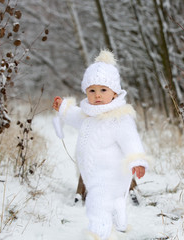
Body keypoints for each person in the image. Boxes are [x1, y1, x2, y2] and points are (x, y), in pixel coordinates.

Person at [52, 49, 150, 240]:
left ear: (114, 92)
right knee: (113, 201)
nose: (97, 95)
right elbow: (74, 116)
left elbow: (131, 140)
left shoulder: (119, 118)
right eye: (92, 90)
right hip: (93, 174)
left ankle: (98, 234)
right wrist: (63, 107)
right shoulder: (89, 115)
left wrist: (137, 160)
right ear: (86, 92)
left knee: (97, 206)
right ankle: (120, 216)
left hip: (110, 175)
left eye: (103, 90)